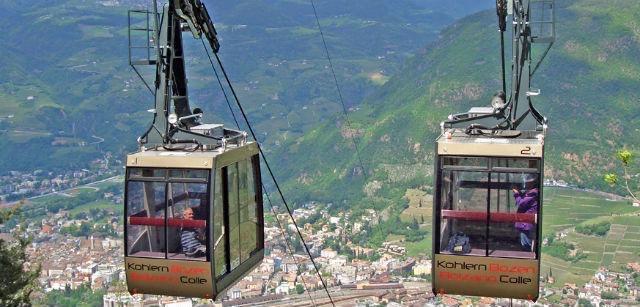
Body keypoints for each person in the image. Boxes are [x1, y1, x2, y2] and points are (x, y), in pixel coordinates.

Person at [512, 174, 539, 251]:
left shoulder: (533, 193)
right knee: (524, 242)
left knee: (526, 244)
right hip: (525, 223)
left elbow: (521, 203)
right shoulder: (530, 193)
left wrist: (516, 193)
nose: (526, 184)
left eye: (528, 183)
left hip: (526, 224)